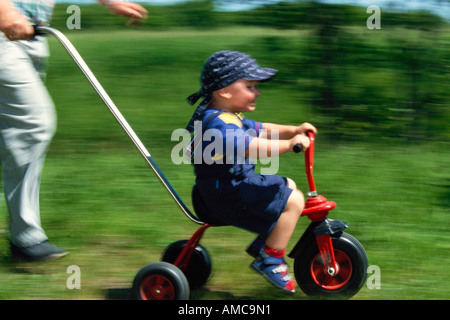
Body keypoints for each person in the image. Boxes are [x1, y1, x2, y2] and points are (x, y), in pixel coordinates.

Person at [0, 0, 147, 261]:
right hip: (5, 31)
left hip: (31, 35)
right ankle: (26, 237)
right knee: (34, 125)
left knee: (17, 135)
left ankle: (24, 236)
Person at [186, 50, 317, 293]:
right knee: (294, 200)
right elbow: (249, 147)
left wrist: (293, 129)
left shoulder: (229, 115)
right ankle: (271, 259)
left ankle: (264, 244)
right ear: (225, 91)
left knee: (287, 185)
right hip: (225, 195)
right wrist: (289, 145)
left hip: (227, 188)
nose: (257, 92)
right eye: (250, 86)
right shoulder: (219, 123)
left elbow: (263, 130)